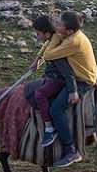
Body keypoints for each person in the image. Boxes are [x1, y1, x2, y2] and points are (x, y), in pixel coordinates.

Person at [40, 11, 97, 168]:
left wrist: (57, 36)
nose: (56, 26)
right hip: (78, 76)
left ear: (70, 31)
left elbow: (49, 54)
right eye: (57, 22)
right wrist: (59, 34)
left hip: (82, 81)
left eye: (60, 25)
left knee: (56, 109)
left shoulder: (73, 42)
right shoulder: (71, 36)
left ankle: (71, 149)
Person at [29, 15, 75, 146]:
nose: (36, 36)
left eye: (38, 34)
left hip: (58, 79)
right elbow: (45, 46)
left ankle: (49, 128)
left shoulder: (56, 49)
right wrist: (37, 60)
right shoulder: (52, 39)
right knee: (38, 83)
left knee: (40, 94)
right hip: (51, 75)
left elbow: (65, 70)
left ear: (47, 33)